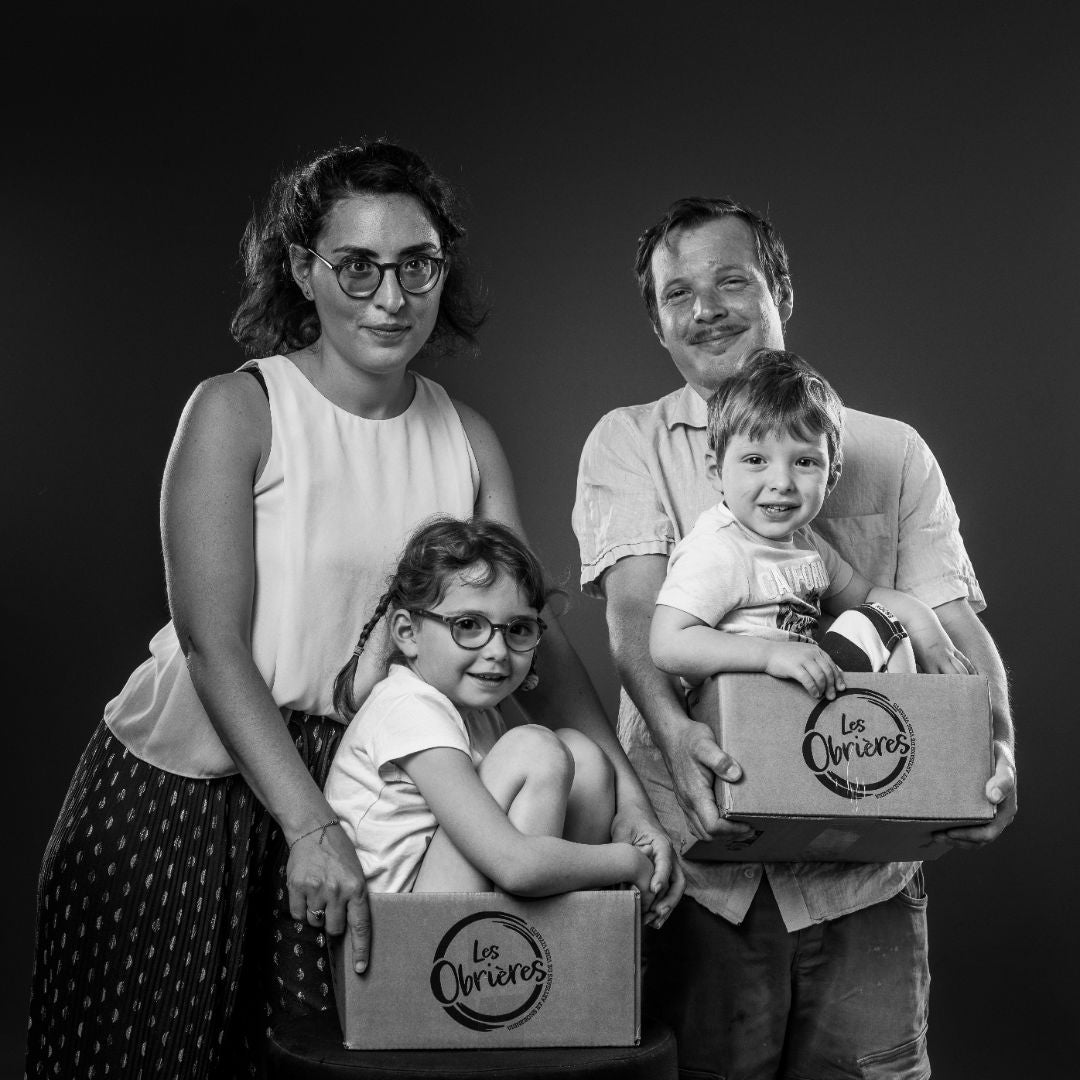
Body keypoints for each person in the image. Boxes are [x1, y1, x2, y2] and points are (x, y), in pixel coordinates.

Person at [25, 141, 678, 1080]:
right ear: (302, 269)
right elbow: (213, 647)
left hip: (375, 783)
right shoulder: (238, 410)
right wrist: (306, 829)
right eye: (357, 265)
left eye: (417, 264)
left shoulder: (466, 436)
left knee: (334, 1059)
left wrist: (632, 809)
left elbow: (536, 640)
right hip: (196, 782)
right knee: (144, 1056)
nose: (390, 295)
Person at [572, 196, 1016, 1078]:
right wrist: (684, 742)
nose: (706, 310)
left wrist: (998, 743)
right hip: (708, 864)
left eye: (731, 281)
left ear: (779, 289)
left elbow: (941, 615)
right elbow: (638, 626)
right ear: (659, 325)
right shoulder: (629, 442)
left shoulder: (890, 451)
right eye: (678, 295)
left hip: (865, 863)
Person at [325, 516, 664, 908]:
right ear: (407, 632)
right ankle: (541, 939)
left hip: (455, 920)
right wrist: (626, 861)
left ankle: (572, 932)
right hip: (405, 942)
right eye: (468, 624)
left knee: (581, 752)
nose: (498, 652)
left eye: (518, 629)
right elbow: (513, 865)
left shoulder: (474, 711)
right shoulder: (408, 708)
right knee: (534, 748)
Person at [650, 349, 976, 692]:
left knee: (880, 623)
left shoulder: (806, 544)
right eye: (756, 459)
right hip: (741, 703)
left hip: (806, 703)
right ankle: (899, 719)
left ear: (831, 477)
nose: (781, 482)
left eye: (804, 463)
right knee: (877, 621)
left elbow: (867, 595)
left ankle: (901, 722)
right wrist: (769, 656)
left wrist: (928, 631)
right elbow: (668, 644)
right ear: (717, 472)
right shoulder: (718, 548)